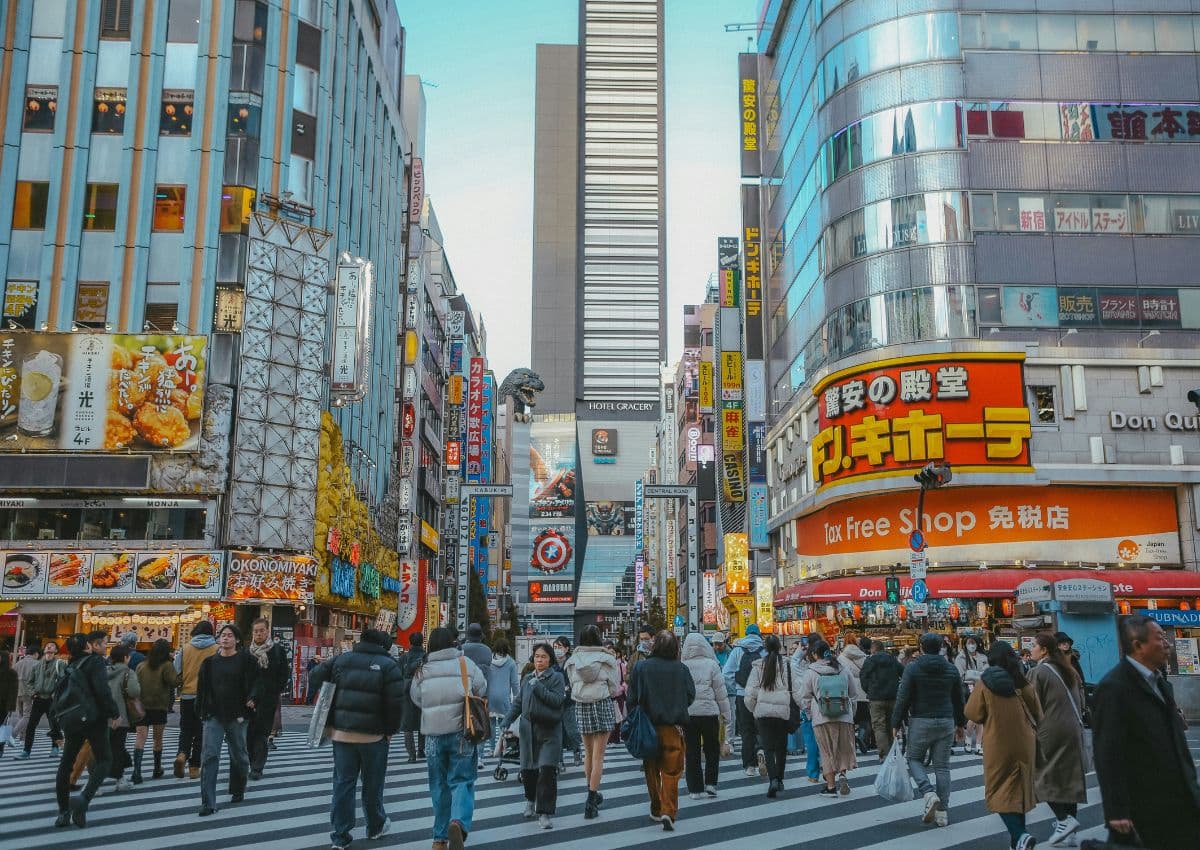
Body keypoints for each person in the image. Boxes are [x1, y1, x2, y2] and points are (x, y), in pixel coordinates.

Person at [1093, 615, 1200, 850]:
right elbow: (1107, 752)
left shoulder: (1160, 682)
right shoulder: (1114, 688)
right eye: (1160, 638)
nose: (1167, 643)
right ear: (1138, 645)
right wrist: (1116, 809)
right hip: (1145, 802)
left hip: (1179, 795)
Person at [308, 628, 405, 850]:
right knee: (373, 785)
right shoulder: (389, 666)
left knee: (343, 784)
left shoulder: (342, 660)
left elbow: (314, 677)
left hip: (342, 734)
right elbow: (395, 704)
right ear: (383, 645)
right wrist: (390, 731)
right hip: (374, 736)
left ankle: (340, 835)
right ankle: (375, 825)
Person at [411, 627, 487, 850]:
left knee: (438, 786)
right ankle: (458, 822)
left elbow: (416, 698)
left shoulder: (422, 669)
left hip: (433, 734)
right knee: (462, 780)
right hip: (461, 732)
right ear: (453, 642)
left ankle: (439, 838)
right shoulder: (465, 664)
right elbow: (481, 688)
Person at [966, 641, 1042, 850]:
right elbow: (1038, 713)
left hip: (998, 742)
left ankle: (1019, 835)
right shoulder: (1022, 682)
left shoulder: (985, 683)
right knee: (1019, 791)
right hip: (1025, 742)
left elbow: (972, 713)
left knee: (998, 790)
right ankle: (1017, 842)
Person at [892, 632, 966, 827]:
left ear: (922, 647)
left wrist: (896, 722)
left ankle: (928, 791)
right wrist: (961, 723)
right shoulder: (951, 669)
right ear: (942, 646)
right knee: (942, 767)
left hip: (921, 719)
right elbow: (959, 699)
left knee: (913, 758)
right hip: (946, 720)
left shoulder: (913, 668)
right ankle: (943, 813)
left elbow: (903, 697)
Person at [627, 630, 694, 832]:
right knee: (671, 771)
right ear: (675, 648)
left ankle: (656, 807)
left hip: (647, 726)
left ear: (654, 646)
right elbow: (691, 695)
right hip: (673, 727)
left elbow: (632, 697)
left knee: (651, 769)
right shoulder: (681, 669)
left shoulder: (641, 667)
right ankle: (668, 810)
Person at [1027, 632, 1088, 847]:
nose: (1030, 648)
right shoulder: (1067, 669)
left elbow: (1033, 704)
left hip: (1051, 728)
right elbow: (1080, 698)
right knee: (1068, 778)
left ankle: (1063, 820)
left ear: (1044, 650)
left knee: (1041, 775)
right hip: (1072, 727)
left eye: (1034, 645)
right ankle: (1070, 831)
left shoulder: (1039, 671)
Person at [195, 624, 261, 816]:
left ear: (237, 640)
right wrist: (201, 710)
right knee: (209, 756)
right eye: (223, 635)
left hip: (238, 714)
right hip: (213, 715)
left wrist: (253, 698)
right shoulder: (209, 663)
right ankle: (208, 802)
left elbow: (257, 682)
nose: (225, 639)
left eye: (230, 636)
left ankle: (238, 788)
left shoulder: (246, 660)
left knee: (239, 756)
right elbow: (202, 689)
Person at [54, 632, 119, 828]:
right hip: (94, 718)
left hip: (73, 719)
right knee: (105, 759)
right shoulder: (95, 662)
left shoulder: (69, 665)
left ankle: (63, 813)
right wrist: (114, 712)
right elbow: (102, 690)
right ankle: (83, 799)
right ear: (87, 647)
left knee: (66, 764)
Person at [503, 642, 566, 830]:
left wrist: (538, 686)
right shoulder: (527, 678)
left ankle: (544, 813)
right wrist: (507, 721)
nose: (540, 660)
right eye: (537, 657)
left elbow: (557, 701)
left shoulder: (556, 678)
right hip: (528, 731)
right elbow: (519, 702)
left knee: (546, 771)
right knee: (528, 772)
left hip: (549, 731)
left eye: (544, 657)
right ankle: (530, 800)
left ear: (550, 660)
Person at [562, 625, 620, 819]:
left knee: (588, 753)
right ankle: (592, 799)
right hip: (601, 704)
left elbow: (571, 685)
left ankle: (590, 794)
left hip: (581, 705)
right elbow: (614, 688)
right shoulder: (608, 660)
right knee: (599, 756)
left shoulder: (571, 661)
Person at [799, 637, 861, 797]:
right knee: (842, 748)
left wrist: (809, 713)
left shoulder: (812, 672)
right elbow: (853, 693)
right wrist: (850, 712)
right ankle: (842, 774)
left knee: (826, 751)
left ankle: (831, 787)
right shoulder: (842, 669)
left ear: (814, 654)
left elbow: (804, 698)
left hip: (821, 717)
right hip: (844, 716)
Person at [744, 634, 804, 799]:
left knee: (768, 748)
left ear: (765, 648)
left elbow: (750, 693)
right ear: (780, 648)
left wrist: (754, 709)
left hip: (763, 713)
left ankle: (772, 781)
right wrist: (804, 706)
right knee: (781, 748)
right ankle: (780, 778)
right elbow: (796, 690)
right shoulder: (787, 665)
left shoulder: (758, 666)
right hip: (782, 712)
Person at [681, 631, 733, 799]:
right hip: (710, 713)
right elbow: (721, 693)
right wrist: (726, 715)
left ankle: (695, 789)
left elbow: (679, 694)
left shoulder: (683, 666)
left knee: (692, 751)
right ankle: (711, 784)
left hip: (689, 714)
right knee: (712, 749)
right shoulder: (712, 665)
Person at [722, 624, 767, 777]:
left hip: (742, 695)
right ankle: (761, 750)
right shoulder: (764, 650)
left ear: (746, 634)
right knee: (762, 727)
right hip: (761, 695)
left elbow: (726, 673)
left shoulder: (738, 650)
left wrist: (736, 687)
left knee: (746, 730)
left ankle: (749, 766)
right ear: (759, 634)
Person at [246, 617, 289, 780]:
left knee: (262, 734)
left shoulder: (276, 650)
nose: (258, 634)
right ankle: (250, 761)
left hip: (268, 699)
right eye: (255, 631)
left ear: (267, 631)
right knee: (248, 734)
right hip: (248, 699)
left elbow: (284, 673)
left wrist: (276, 691)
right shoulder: (246, 651)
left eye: (261, 630)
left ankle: (257, 767)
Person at [174, 620, 217, 779]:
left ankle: (182, 754)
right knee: (200, 732)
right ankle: (194, 767)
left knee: (185, 729)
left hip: (187, 695)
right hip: (207, 697)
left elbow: (176, 670)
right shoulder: (216, 649)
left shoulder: (185, 649)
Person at [134, 638, 176, 782]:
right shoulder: (166, 665)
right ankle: (157, 768)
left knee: (140, 738)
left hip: (141, 706)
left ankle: (136, 772)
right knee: (157, 739)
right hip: (159, 706)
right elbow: (174, 682)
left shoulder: (141, 665)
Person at [17, 640, 64, 760]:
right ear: (44, 650)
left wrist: (55, 694)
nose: (49, 647)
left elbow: (63, 681)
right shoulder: (37, 665)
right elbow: (29, 682)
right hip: (38, 699)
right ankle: (26, 751)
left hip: (52, 700)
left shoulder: (60, 664)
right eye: (47, 646)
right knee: (31, 725)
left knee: (54, 725)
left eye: (52, 646)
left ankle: (55, 747)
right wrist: (33, 694)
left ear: (56, 651)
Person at [105, 645, 141, 792]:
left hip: (104, 717)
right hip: (120, 717)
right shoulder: (128, 672)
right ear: (126, 658)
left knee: (105, 747)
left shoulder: (104, 671)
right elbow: (134, 691)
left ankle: (99, 775)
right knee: (118, 747)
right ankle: (120, 778)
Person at [860, 640, 903, 759]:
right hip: (892, 696)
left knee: (879, 726)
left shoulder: (869, 661)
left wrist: (869, 690)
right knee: (891, 724)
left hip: (876, 698)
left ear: (873, 649)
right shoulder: (892, 659)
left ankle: (884, 753)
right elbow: (903, 672)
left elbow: (863, 677)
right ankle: (892, 750)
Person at [790, 640, 822, 782]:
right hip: (828, 709)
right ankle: (830, 770)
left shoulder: (806, 671)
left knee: (811, 742)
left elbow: (794, 662)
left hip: (809, 709)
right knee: (827, 742)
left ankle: (813, 774)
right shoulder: (834, 666)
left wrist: (799, 651)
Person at [485, 637, 520, 763]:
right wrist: (517, 697)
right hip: (504, 697)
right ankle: (502, 747)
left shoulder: (489, 660)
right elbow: (515, 683)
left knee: (491, 723)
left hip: (490, 695)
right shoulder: (510, 662)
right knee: (504, 723)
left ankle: (491, 748)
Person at [552, 636, 583, 768]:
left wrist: (569, 688)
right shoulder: (551, 663)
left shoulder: (572, 663)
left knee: (571, 730)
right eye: (555, 647)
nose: (557, 650)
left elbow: (577, 680)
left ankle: (577, 750)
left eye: (560, 647)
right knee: (556, 732)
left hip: (569, 701)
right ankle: (559, 760)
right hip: (554, 702)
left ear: (566, 648)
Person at [956, 636, 987, 755]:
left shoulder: (983, 657)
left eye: (974, 643)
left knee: (980, 717)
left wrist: (973, 675)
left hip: (981, 687)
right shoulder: (961, 657)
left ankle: (978, 745)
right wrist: (976, 675)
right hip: (967, 688)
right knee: (973, 716)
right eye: (969, 643)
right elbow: (962, 675)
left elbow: (986, 672)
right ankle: (968, 738)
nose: (972, 645)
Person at [400, 632, 426, 762]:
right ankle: (422, 750)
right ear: (422, 642)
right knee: (423, 721)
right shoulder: (426, 657)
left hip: (407, 692)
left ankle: (411, 754)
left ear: (410, 642)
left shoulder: (404, 658)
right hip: (424, 690)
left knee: (407, 725)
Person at [12, 644, 39, 742]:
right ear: (35, 654)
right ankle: (13, 734)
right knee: (27, 715)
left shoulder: (18, 663)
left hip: (17, 692)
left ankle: (23, 736)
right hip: (28, 692)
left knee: (21, 715)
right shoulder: (37, 663)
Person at [0, 652, 16, 758]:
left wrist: (10, 707)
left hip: (3, 705)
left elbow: (13, 691)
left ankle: (0, 748)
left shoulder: (11, 673)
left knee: (2, 727)